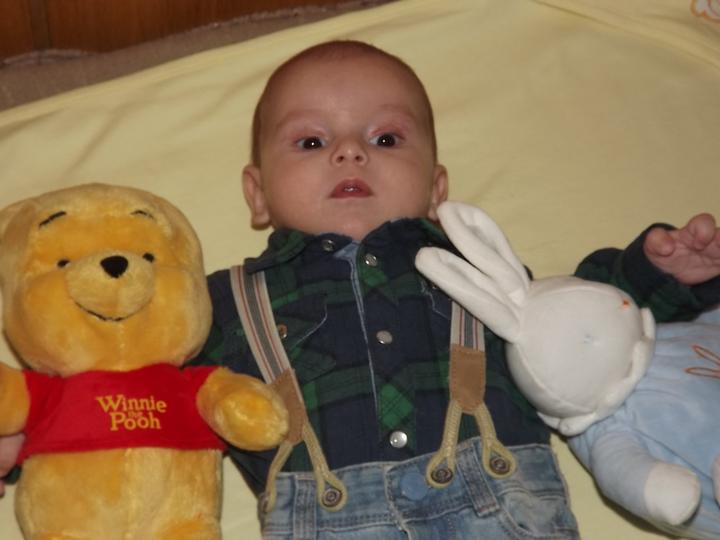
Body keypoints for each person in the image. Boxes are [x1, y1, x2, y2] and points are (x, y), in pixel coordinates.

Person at [2, 40, 720, 539]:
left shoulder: (480, 266)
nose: (349, 151)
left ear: (436, 188)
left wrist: (659, 274)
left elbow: (588, 326)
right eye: (311, 142)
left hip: (504, 514)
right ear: (258, 194)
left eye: (386, 139)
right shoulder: (218, 305)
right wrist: (29, 432)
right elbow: (131, 389)